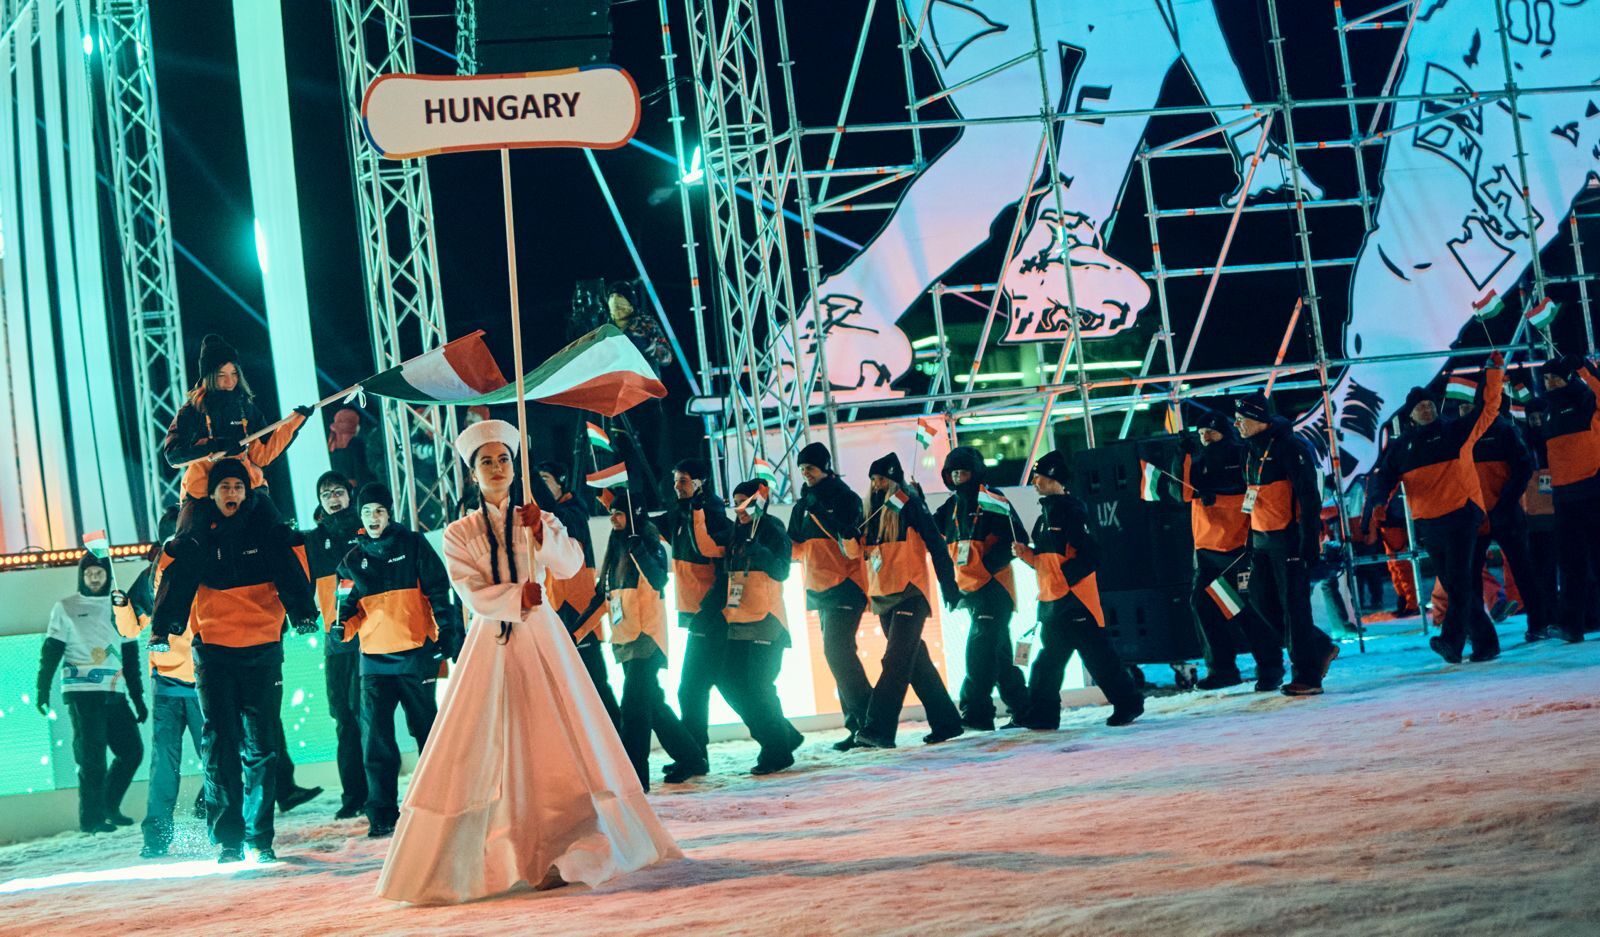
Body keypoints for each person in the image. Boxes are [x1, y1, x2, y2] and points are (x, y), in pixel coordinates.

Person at [376, 419, 679, 904]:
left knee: (556, 736)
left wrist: (544, 534)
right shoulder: (458, 532)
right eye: (487, 461)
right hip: (492, 644)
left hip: (543, 638)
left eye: (504, 459)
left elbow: (570, 564)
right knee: (485, 743)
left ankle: (568, 840)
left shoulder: (538, 515)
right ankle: (498, 851)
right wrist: (516, 596)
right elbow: (469, 590)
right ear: (473, 472)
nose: (497, 468)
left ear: (515, 468)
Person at [152, 459, 320, 863]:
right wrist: (163, 629)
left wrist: (304, 614)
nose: (232, 493)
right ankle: (229, 840)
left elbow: (294, 574)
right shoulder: (197, 536)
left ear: (249, 492)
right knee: (220, 745)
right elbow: (175, 583)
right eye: (224, 487)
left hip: (262, 651)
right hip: (214, 653)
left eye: (238, 487)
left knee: (262, 748)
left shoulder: (267, 531)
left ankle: (260, 839)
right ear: (211, 494)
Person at [154, 334, 311, 647]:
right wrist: (212, 446)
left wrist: (294, 423)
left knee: (279, 536)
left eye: (234, 374)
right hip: (202, 493)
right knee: (187, 547)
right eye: (222, 375)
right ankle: (165, 626)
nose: (229, 381)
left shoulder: (246, 408)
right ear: (209, 376)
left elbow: (262, 454)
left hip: (246, 488)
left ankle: (303, 613)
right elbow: (173, 455)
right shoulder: (191, 411)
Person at [336, 483, 461, 838]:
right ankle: (381, 814)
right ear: (360, 517)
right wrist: (340, 630)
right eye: (366, 512)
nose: (373, 518)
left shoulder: (414, 544)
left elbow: (438, 591)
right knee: (375, 739)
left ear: (390, 513)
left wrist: (446, 632)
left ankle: (442, 802)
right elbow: (346, 613)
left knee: (427, 731)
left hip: (414, 655)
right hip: (373, 663)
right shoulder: (351, 561)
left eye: (379, 511)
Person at [1364, 358, 1504, 663]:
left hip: (1462, 517)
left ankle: (1451, 641)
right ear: (1411, 414)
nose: (1426, 410)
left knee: (1459, 581)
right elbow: (1383, 479)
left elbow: (1488, 409)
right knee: (1457, 584)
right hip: (1429, 524)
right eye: (1420, 407)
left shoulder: (1457, 430)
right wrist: (1377, 503)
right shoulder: (1402, 447)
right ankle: (1486, 643)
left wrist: (1494, 373)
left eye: (1429, 405)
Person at [1008, 450, 1145, 728]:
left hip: (1075, 602)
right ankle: (1044, 715)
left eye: (1038, 477)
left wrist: (1063, 581)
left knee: (1096, 659)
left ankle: (1127, 704)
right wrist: (1026, 555)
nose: (1034, 482)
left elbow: (1091, 555)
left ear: (1054, 479)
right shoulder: (1045, 515)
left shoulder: (1072, 510)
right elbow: (1046, 562)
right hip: (1053, 603)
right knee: (1051, 664)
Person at [852, 453, 964, 749]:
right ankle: (947, 722)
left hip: (910, 593)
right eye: (873, 479)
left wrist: (949, 586)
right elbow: (857, 553)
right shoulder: (868, 512)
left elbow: (936, 544)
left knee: (896, 661)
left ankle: (878, 728)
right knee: (915, 661)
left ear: (893, 480)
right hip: (883, 595)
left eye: (882, 479)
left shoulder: (910, 504)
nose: (876, 485)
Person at [1235, 393, 1340, 696]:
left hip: (1288, 539)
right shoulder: (1249, 450)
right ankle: (1319, 646)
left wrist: (1309, 540)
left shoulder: (1290, 447)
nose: (1237, 425)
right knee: (1261, 602)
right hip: (1261, 540)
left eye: (1242, 420)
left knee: (1295, 608)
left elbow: (1309, 496)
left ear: (1258, 419)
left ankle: (1308, 676)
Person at [36, 553, 146, 834]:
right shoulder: (66, 607)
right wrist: (42, 689)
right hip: (81, 691)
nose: (94, 578)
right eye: (89, 574)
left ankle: (108, 807)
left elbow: (131, 658)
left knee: (132, 751)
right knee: (91, 758)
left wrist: (138, 699)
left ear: (108, 575)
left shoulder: (121, 607)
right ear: (81, 576)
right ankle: (91, 819)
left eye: (99, 573)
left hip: (114, 691)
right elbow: (51, 651)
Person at [599, 495, 703, 790]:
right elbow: (603, 592)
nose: (613, 518)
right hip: (625, 637)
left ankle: (634, 777)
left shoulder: (647, 542)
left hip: (647, 637)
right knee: (653, 705)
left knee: (633, 708)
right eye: (611, 513)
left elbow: (659, 580)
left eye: (619, 513)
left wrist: (639, 550)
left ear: (633, 515)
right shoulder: (616, 546)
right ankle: (692, 758)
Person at [120, 509, 205, 856]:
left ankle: (225, 829)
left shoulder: (206, 568)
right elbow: (129, 627)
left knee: (217, 759)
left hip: (204, 681)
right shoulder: (153, 574)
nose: (177, 545)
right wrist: (121, 606)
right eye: (171, 539)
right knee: (163, 767)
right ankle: (156, 838)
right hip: (168, 684)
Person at [1178, 409, 1283, 691]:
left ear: (1225, 431)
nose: (1206, 438)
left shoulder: (1242, 454)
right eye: (1202, 433)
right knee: (1205, 605)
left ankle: (1271, 667)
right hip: (1207, 549)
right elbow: (1182, 493)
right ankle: (1222, 669)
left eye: (1211, 432)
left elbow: (1253, 494)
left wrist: (1219, 498)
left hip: (1239, 546)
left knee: (1246, 610)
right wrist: (1182, 455)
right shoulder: (1198, 460)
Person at [703, 480, 804, 774]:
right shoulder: (736, 532)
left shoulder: (772, 527)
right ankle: (782, 736)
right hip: (737, 619)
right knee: (726, 679)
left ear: (758, 502)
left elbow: (782, 570)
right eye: (735, 503)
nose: (739, 508)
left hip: (767, 620)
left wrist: (760, 550)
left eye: (744, 502)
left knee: (760, 686)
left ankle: (777, 750)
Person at [932, 446, 1030, 730]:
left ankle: (976, 712)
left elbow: (1017, 538)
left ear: (975, 473)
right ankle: (1025, 710)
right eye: (953, 473)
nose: (957, 477)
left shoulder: (991, 498)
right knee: (999, 656)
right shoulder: (951, 506)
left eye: (963, 472)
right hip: (970, 592)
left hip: (995, 589)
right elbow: (929, 529)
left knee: (978, 653)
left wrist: (985, 569)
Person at [787, 441, 874, 751]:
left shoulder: (846, 498)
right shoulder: (802, 505)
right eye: (802, 469)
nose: (805, 473)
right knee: (838, 656)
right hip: (819, 587)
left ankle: (869, 721)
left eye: (810, 468)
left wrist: (820, 511)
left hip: (846, 584)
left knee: (837, 653)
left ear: (825, 467)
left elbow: (850, 538)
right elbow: (795, 546)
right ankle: (859, 724)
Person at [303, 471, 367, 819]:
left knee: (368, 717)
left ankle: (377, 794)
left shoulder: (366, 528)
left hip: (370, 637)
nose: (333, 498)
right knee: (343, 718)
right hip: (336, 641)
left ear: (349, 494)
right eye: (326, 493)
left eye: (338, 491)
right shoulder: (314, 540)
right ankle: (353, 796)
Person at [538, 460, 622, 727]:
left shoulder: (573, 511)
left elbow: (558, 522)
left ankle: (618, 738)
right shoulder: (547, 515)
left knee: (596, 683)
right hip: (556, 609)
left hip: (581, 609)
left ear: (561, 483)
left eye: (544, 480)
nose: (539, 487)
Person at [666, 457, 731, 779]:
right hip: (699, 613)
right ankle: (781, 739)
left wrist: (696, 512)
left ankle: (694, 756)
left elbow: (710, 551)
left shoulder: (713, 514)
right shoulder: (681, 512)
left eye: (683, 480)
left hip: (710, 613)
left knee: (690, 689)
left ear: (700, 482)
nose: (677, 486)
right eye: (675, 480)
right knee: (730, 684)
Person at [1528, 354, 1600, 644]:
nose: (1550, 382)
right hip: (1564, 496)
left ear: (1568, 377)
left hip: (1593, 489)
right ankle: (1572, 625)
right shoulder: (1547, 411)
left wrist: (1582, 366)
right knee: (1570, 564)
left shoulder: (1587, 400)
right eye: (1546, 378)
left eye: (1555, 377)